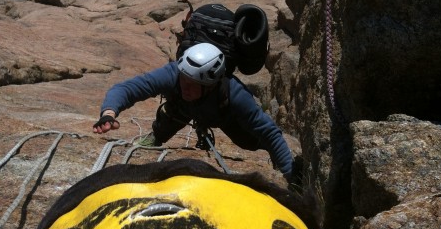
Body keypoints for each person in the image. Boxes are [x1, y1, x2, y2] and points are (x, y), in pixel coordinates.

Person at [93, 42, 293, 179]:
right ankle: (155, 137)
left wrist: (289, 174)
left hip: (223, 116)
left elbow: (269, 132)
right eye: (183, 80)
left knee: (251, 142)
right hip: (182, 109)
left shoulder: (234, 95)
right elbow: (128, 89)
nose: (185, 86)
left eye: (193, 83)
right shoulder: (174, 74)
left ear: (211, 84)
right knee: (170, 117)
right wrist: (109, 113)